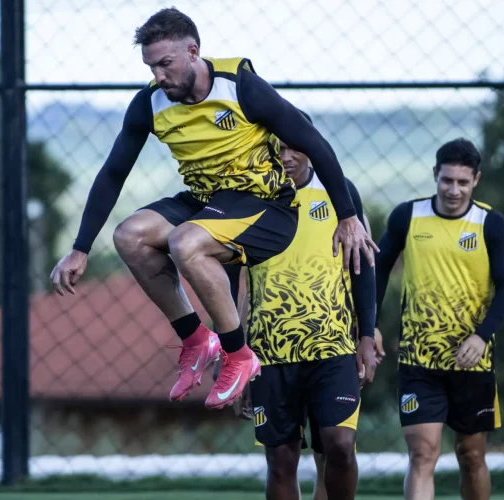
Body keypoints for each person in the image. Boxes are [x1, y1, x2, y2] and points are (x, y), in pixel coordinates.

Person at [49, 7, 377, 410]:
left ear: (193, 51)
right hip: (208, 202)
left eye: (165, 64)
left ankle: (238, 355)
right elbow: (113, 173)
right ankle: (195, 338)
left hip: (266, 206)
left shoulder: (241, 88)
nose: (158, 76)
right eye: (150, 67)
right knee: (129, 236)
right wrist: (80, 248)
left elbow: (314, 143)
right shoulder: (150, 104)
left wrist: (346, 216)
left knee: (186, 241)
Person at [374, 138, 504, 500]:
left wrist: (482, 335)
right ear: (435, 174)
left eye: (462, 181)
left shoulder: (490, 224)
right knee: (423, 452)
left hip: (472, 362)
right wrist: (369, 326)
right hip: (418, 362)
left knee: (472, 455)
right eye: (446, 179)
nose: (453, 189)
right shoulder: (407, 216)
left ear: (475, 180)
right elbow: (377, 271)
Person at [243, 132, 378, 500]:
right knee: (281, 459)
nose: (287, 156)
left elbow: (363, 266)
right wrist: (233, 353)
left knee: (339, 446)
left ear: (311, 150)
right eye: (276, 149)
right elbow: (224, 281)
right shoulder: (247, 197)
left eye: (294, 147)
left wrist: (366, 335)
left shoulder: (339, 193)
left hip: (334, 348)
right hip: (269, 352)